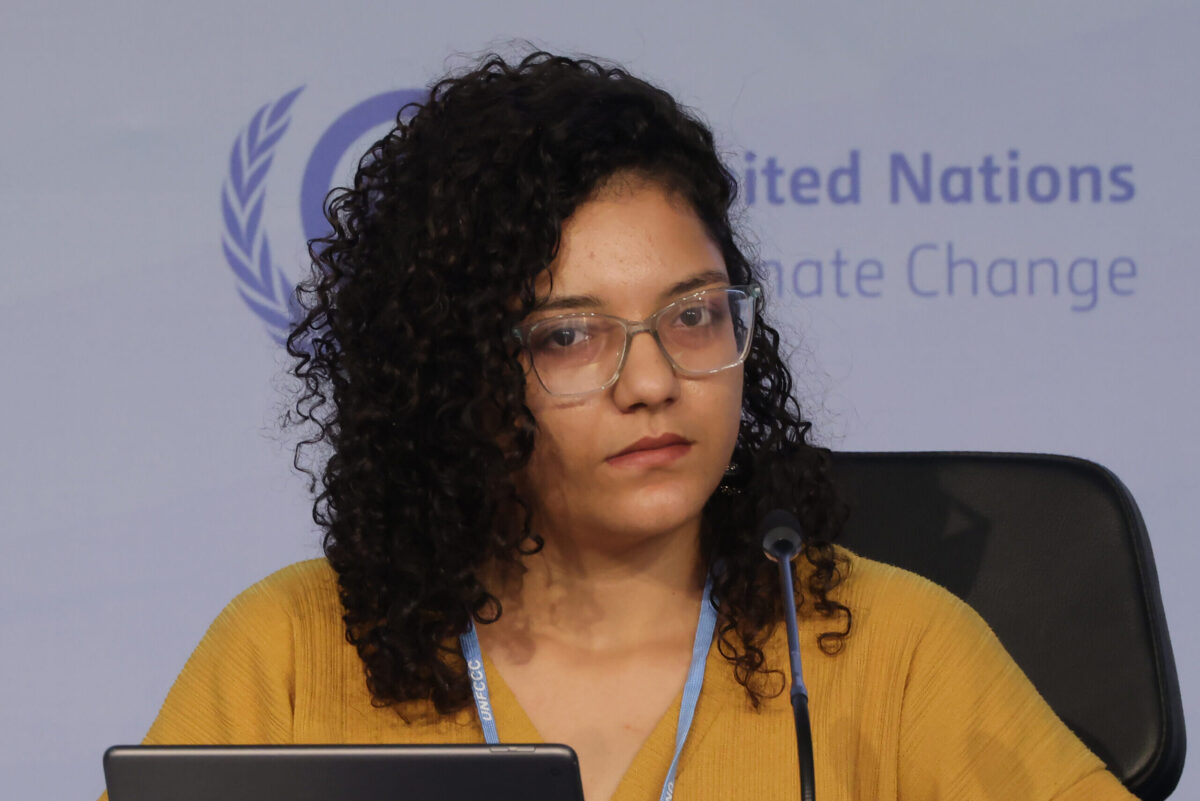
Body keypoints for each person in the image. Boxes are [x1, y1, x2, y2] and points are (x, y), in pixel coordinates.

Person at [104, 51, 1136, 801]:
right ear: (458, 375)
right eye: (569, 337)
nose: (653, 380)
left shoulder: (890, 649)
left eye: (692, 315)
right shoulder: (291, 652)